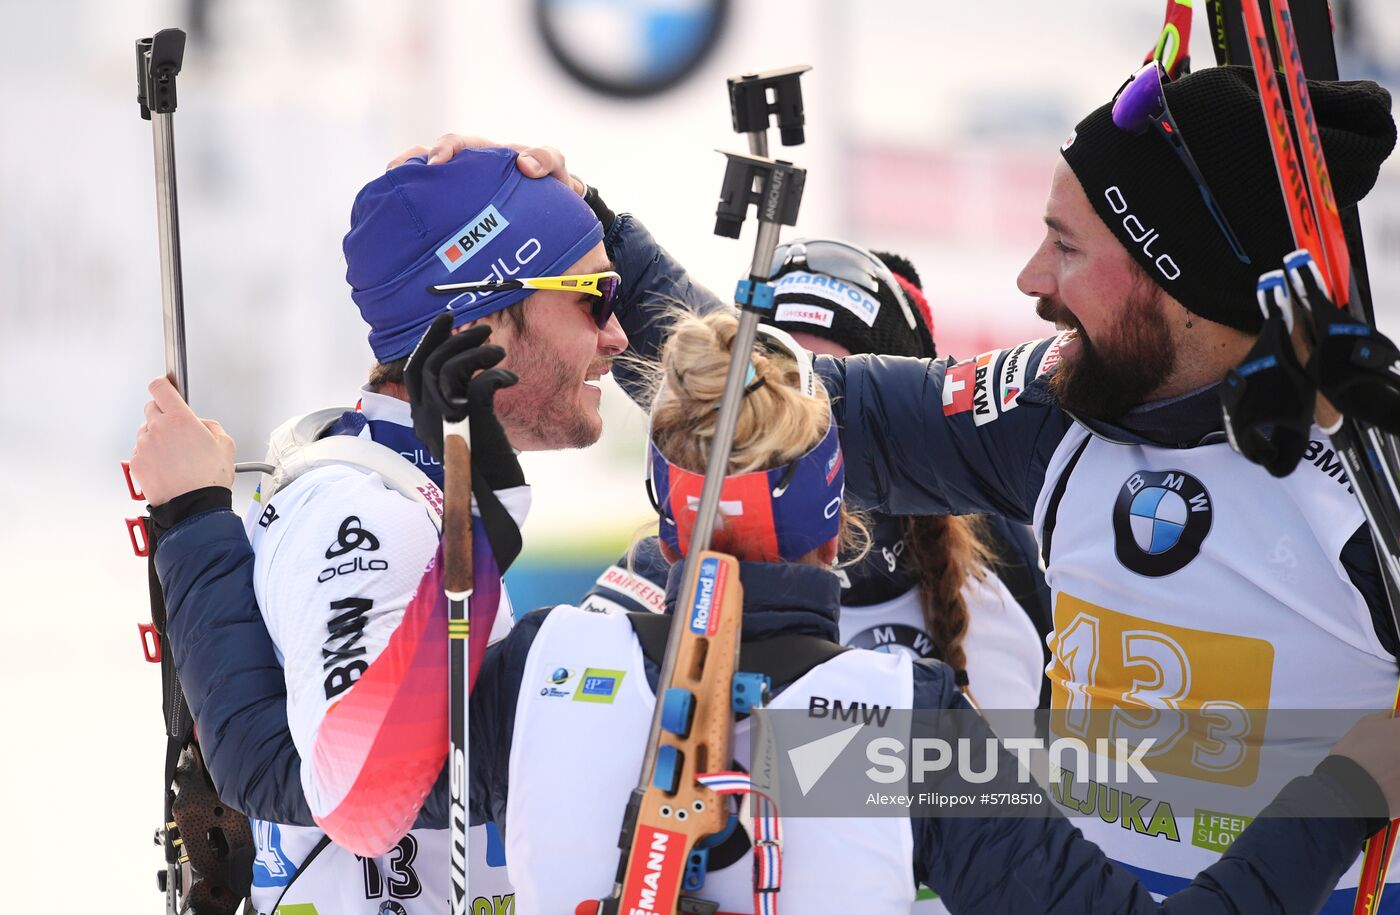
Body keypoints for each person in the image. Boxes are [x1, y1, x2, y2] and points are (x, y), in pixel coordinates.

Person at [415, 63, 1400, 908]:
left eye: (1064, 247)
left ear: (1171, 283)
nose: (1029, 281)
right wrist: (576, 228)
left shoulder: (1361, 480)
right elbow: (765, 412)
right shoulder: (1053, 415)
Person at [130, 145, 713, 913]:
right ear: (479, 323)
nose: (617, 335)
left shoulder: (398, 490)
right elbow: (359, 793)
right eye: (594, 297)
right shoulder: (365, 515)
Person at [584, 239, 1052, 718]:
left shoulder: (998, 557)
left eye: (822, 405)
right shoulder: (672, 567)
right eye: (764, 399)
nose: (784, 440)